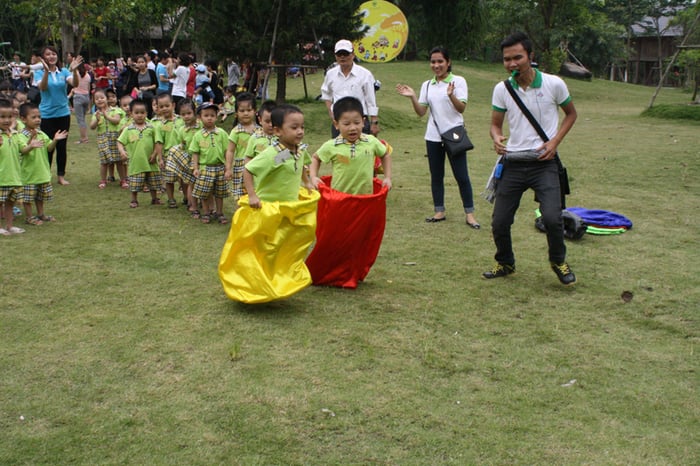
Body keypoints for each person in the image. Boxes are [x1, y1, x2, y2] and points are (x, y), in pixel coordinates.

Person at [484, 32, 578, 285]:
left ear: (530, 56)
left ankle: (558, 261)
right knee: (500, 221)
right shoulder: (501, 89)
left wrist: (555, 142)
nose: (512, 64)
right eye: (507, 59)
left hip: (543, 163)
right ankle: (505, 262)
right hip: (513, 163)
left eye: (518, 57)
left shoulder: (553, 84)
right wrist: (496, 137)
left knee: (552, 217)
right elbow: (495, 125)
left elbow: (571, 114)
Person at [396, 46, 480, 228]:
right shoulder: (427, 84)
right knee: (436, 175)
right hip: (433, 136)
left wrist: (451, 96)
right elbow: (421, 112)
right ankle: (439, 211)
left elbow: (461, 108)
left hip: (454, 134)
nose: (436, 65)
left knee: (461, 176)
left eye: (440, 61)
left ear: (448, 62)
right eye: (433, 62)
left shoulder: (458, 81)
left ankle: (470, 214)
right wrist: (412, 97)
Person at [310, 96, 392, 195]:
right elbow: (315, 158)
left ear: (363, 121)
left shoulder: (371, 141)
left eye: (357, 122)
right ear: (336, 124)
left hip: (365, 199)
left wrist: (387, 177)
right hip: (339, 198)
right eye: (346, 124)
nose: (352, 128)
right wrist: (313, 177)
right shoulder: (332, 145)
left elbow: (385, 155)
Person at [243, 104, 313, 208]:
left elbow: (300, 164)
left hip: (290, 207)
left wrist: (307, 182)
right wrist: (252, 196)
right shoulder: (274, 154)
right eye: (294, 127)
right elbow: (248, 170)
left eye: (302, 127)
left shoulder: (300, 150)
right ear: (277, 131)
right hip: (270, 209)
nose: (300, 131)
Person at [35, 46, 83, 186]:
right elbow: (43, 87)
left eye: (54, 54)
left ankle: (61, 176)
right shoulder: (38, 73)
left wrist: (74, 71)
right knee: (48, 146)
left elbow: (75, 84)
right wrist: (45, 72)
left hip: (63, 113)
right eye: (48, 54)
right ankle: (46, 175)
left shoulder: (64, 71)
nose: (51, 56)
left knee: (61, 146)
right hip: (47, 114)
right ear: (43, 58)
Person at [17, 102, 66, 225]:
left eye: (39, 117)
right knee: (28, 198)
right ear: (23, 119)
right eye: (33, 117)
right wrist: (31, 145)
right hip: (29, 174)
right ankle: (29, 217)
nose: (37, 120)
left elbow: (49, 148)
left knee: (40, 196)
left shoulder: (41, 134)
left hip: (41, 172)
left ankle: (41, 214)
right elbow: (23, 150)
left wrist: (55, 140)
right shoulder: (20, 136)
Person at [320, 39, 379, 137]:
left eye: (346, 53)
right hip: (339, 121)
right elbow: (326, 93)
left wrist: (374, 122)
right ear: (335, 56)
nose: (342, 57)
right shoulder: (331, 74)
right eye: (339, 54)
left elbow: (371, 99)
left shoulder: (365, 74)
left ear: (353, 55)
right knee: (339, 151)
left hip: (360, 120)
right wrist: (331, 112)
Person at [190, 102, 230, 224]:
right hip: (205, 168)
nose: (209, 118)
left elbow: (227, 151)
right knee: (204, 192)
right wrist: (195, 168)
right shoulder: (198, 135)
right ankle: (206, 212)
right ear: (199, 118)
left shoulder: (222, 133)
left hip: (219, 167)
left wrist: (228, 168)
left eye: (212, 115)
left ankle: (219, 213)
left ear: (216, 116)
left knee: (220, 192)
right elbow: (195, 153)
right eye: (206, 115)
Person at [117, 99, 163, 208]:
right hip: (136, 163)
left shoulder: (151, 128)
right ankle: (134, 200)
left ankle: (154, 198)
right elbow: (119, 141)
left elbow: (158, 141)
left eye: (142, 113)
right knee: (135, 183)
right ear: (131, 114)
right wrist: (122, 151)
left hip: (151, 162)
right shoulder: (128, 129)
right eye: (136, 113)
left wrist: (155, 154)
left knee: (153, 182)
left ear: (146, 113)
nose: (139, 115)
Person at [166, 99, 200, 215]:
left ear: (195, 113)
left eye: (189, 113)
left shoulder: (201, 127)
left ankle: (205, 204)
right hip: (189, 159)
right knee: (191, 182)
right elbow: (182, 145)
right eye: (183, 114)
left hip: (203, 158)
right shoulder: (181, 130)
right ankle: (192, 205)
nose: (186, 117)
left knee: (202, 183)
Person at [224, 92, 258, 201]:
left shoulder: (260, 132)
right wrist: (228, 168)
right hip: (240, 167)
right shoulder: (235, 132)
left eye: (249, 110)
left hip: (257, 165)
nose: (246, 113)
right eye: (242, 111)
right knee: (241, 195)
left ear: (255, 111)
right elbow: (230, 151)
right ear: (236, 113)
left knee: (256, 191)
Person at [90, 89, 126, 189]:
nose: (99, 100)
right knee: (104, 162)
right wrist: (97, 120)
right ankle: (103, 180)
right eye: (96, 98)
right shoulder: (96, 114)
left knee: (119, 161)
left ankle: (123, 180)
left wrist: (106, 116)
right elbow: (92, 127)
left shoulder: (116, 110)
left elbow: (116, 121)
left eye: (102, 97)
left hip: (115, 138)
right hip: (102, 139)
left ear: (107, 99)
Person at [152, 93, 183, 208]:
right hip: (167, 156)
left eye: (167, 105)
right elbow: (159, 142)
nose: (164, 109)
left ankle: (186, 197)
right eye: (161, 106)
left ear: (173, 105)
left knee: (183, 179)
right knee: (169, 179)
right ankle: (171, 199)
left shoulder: (181, 120)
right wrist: (160, 158)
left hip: (182, 154)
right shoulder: (159, 125)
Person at [0, 98, 25, 235]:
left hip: (14, 176)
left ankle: (9, 226)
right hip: (1, 177)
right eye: (2, 117)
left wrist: (31, 144)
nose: (6, 120)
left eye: (9, 116)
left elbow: (22, 150)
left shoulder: (15, 134)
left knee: (10, 204)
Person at [71, 63, 92, 145]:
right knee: (82, 118)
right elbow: (89, 88)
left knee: (80, 119)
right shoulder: (88, 76)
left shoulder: (76, 74)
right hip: (86, 97)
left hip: (78, 96)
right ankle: (84, 136)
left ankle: (84, 138)